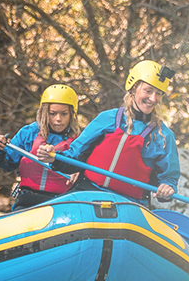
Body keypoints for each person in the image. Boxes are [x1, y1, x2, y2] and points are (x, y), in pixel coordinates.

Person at [67, 60, 181, 203]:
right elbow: (74, 152)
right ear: (133, 88)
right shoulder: (107, 119)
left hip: (130, 203)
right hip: (89, 191)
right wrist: (53, 156)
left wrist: (167, 188)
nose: (153, 99)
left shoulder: (163, 136)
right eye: (148, 91)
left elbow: (169, 178)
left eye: (158, 93)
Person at [0, 84, 85, 209]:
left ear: (72, 114)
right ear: (45, 113)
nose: (58, 119)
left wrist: (79, 171)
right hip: (28, 200)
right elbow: (8, 162)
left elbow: (87, 167)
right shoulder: (29, 133)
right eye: (53, 113)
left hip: (61, 203)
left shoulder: (79, 141)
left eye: (64, 114)